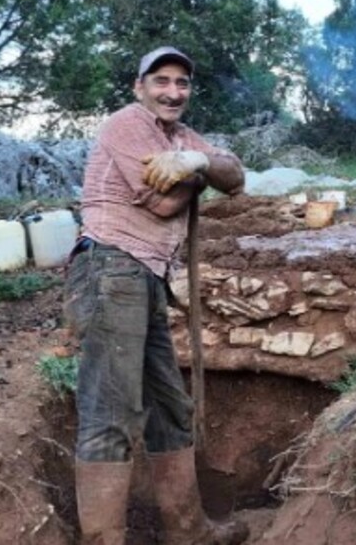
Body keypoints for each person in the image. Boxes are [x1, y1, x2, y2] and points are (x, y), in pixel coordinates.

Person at [69, 46, 248, 545]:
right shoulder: (125, 125)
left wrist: (194, 159)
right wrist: (201, 177)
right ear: (139, 86)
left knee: (170, 406)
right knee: (112, 408)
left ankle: (189, 532)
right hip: (110, 267)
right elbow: (166, 203)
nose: (173, 92)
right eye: (161, 81)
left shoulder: (181, 136)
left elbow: (235, 177)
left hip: (145, 276)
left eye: (182, 83)